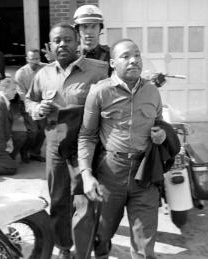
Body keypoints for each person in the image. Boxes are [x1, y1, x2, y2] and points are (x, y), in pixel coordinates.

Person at [25, 22, 108, 258]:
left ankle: (95, 248)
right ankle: (64, 247)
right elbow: (29, 100)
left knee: (86, 200)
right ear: (50, 46)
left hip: (85, 147)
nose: (62, 44)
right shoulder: (42, 74)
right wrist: (37, 109)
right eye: (57, 40)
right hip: (54, 147)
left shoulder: (99, 70)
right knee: (59, 200)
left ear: (77, 42)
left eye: (67, 39)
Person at [78, 39, 166, 259]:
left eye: (137, 54)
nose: (134, 60)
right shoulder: (100, 92)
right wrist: (86, 175)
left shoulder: (152, 91)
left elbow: (159, 123)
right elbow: (86, 136)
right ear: (112, 62)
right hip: (111, 172)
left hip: (144, 174)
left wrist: (161, 135)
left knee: (144, 245)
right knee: (101, 234)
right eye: (126, 56)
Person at [14, 49, 46, 162]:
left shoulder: (44, 68)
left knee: (43, 130)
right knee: (33, 131)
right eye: (32, 59)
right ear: (27, 59)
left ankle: (35, 153)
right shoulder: (20, 73)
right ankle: (24, 151)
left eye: (37, 58)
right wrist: (32, 106)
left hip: (41, 104)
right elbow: (22, 93)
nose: (36, 61)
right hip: (27, 104)